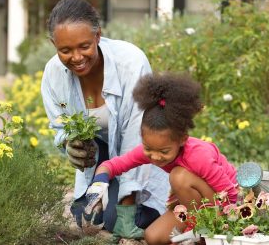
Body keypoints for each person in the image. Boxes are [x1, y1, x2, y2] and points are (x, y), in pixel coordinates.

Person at [41, 0, 170, 239]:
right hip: (101, 160)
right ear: (53, 44)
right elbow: (60, 126)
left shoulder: (131, 63)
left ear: (98, 36)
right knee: (85, 215)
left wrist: (127, 207)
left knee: (113, 219)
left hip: (144, 156)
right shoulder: (53, 73)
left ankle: (156, 207)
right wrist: (69, 144)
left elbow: (138, 137)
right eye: (65, 50)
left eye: (84, 46)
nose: (76, 58)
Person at [85, 73, 238, 244]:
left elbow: (230, 194)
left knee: (178, 176)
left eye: (164, 151)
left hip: (222, 203)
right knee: (153, 237)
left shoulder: (198, 156)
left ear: (182, 139)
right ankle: (196, 230)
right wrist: (99, 182)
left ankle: (202, 233)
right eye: (148, 148)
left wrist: (212, 227)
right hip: (193, 204)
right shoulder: (151, 150)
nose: (156, 157)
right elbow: (113, 165)